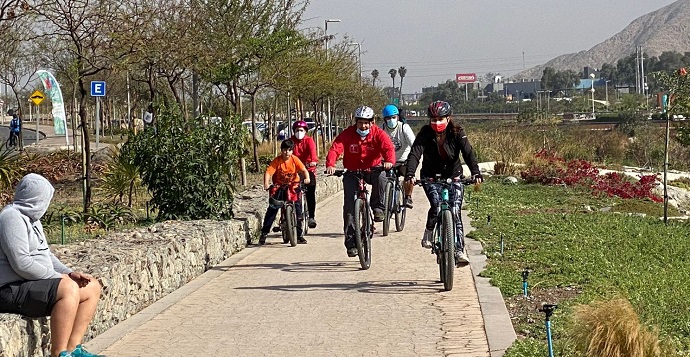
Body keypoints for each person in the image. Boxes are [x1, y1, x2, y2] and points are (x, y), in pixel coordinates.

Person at [0, 174, 104, 357]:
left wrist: (69, 273)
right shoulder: (11, 218)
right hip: (9, 288)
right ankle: (59, 353)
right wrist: (57, 277)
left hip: (31, 283)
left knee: (91, 287)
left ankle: (73, 350)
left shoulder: (33, 219)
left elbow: (46, 254)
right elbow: (21, 263)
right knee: (67, 289)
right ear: (36, 198)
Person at [405, 101, 483, 266]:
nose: (437, 123)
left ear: (449, 118)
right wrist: (410, 173)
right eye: (433, 119)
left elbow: (468, 153)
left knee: (455, 212)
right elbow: (415, 154)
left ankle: (459, 251)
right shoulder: (425, 133)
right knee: (437, 205)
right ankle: (429, 231)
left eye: (441, 119)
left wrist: (475, 172)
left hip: (454, 176)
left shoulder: (457, 132)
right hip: (430, 176)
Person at [326, 106, 396, 257]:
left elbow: (388, 148)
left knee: (382, 178)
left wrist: (389, 161)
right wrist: (330, 164)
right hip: (352, 172)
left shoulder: (378, 133)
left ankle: (378, 208)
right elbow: (335, 148)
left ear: (372, 122)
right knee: (350, 209)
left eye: (366, 123)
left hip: (373, 170)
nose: (363, 126)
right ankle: (351, 243)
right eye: (360, 123)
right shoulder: (348, 134)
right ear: (356, 122)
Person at [260, 139, 311, 245]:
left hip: (293, 185)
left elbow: (304, 170)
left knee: (298, 210)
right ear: (281, 150)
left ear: (292, 151)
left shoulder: (294, 160)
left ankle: (299, 234)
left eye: (289, 150)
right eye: (284, 150)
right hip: (279, 186)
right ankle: (264, 233)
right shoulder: (277, 161)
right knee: (273, 209)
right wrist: (266, 183)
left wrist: (307, 178)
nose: (286, 152)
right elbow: (268, 172)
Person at [380, 105, 416, 208]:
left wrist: (412, 162)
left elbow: (414, 145)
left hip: (403, 161)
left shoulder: (404, 128)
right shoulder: (381, 129)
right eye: (388, 118)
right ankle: (382, 203)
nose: (391, 120)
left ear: (398, 117)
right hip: (386, 162)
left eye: (393, 117)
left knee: (409, 175)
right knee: (379, 178)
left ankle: (408, 197)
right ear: (384, 119)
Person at [290, 120, 319, 229]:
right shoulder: (290, 141)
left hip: (308, 169)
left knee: (310, 191)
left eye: (301, 130)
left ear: (305, 131)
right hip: (294, 170)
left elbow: (313, 154)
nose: (299, 132)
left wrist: (313, 161)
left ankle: (311, 217)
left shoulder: (309, 141)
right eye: (297, 130)